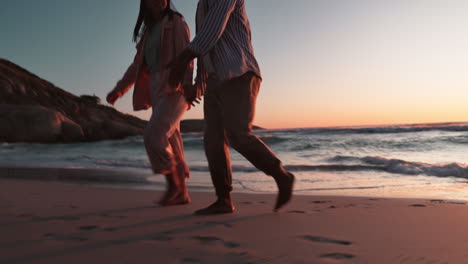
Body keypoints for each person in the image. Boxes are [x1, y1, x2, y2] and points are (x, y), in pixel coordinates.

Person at [169, 0, 295, 215]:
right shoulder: (201, 4)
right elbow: (205, 48)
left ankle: (280, 174)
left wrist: (182, 58)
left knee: (238, 135)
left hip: (239, 73)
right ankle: (223, 199)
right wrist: (198, 85)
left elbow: (213, 29)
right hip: (214, 79)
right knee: (213, 142)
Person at [106, 0, 199, 206]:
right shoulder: (148, 31)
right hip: (156, 89)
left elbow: (187, 55)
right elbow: (138, 65)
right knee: (172, 142)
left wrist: (187, 85)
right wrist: (119, 89)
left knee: (153, 134)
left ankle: (173, 185)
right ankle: (182, 195)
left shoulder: (176, 22)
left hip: (175, 87)